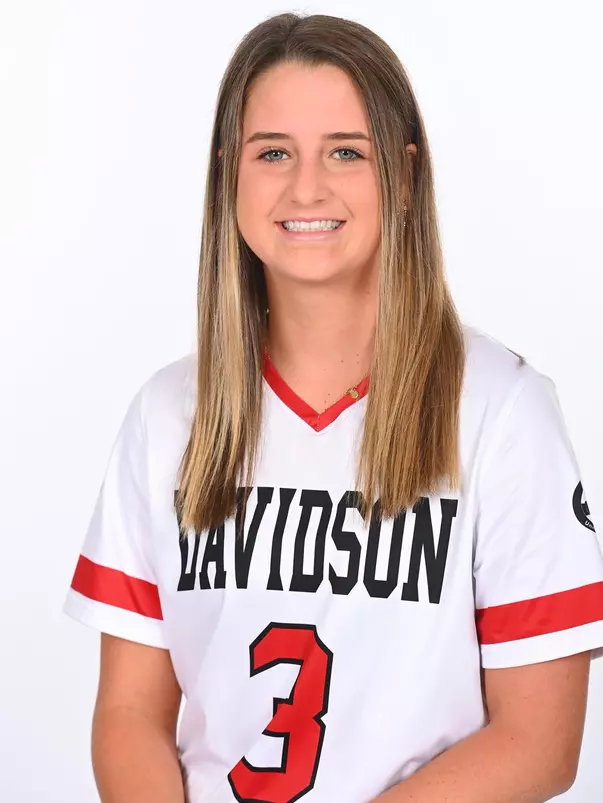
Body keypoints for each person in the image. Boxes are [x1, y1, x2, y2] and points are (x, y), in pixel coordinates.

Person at [63, 11, 603, 803]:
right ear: (228, 174)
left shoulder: (501, 412)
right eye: (272, 152)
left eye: (346, 152)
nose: (305, 187)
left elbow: (538, 741)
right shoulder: (168, 414)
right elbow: (128, 714)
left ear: (405, 174)